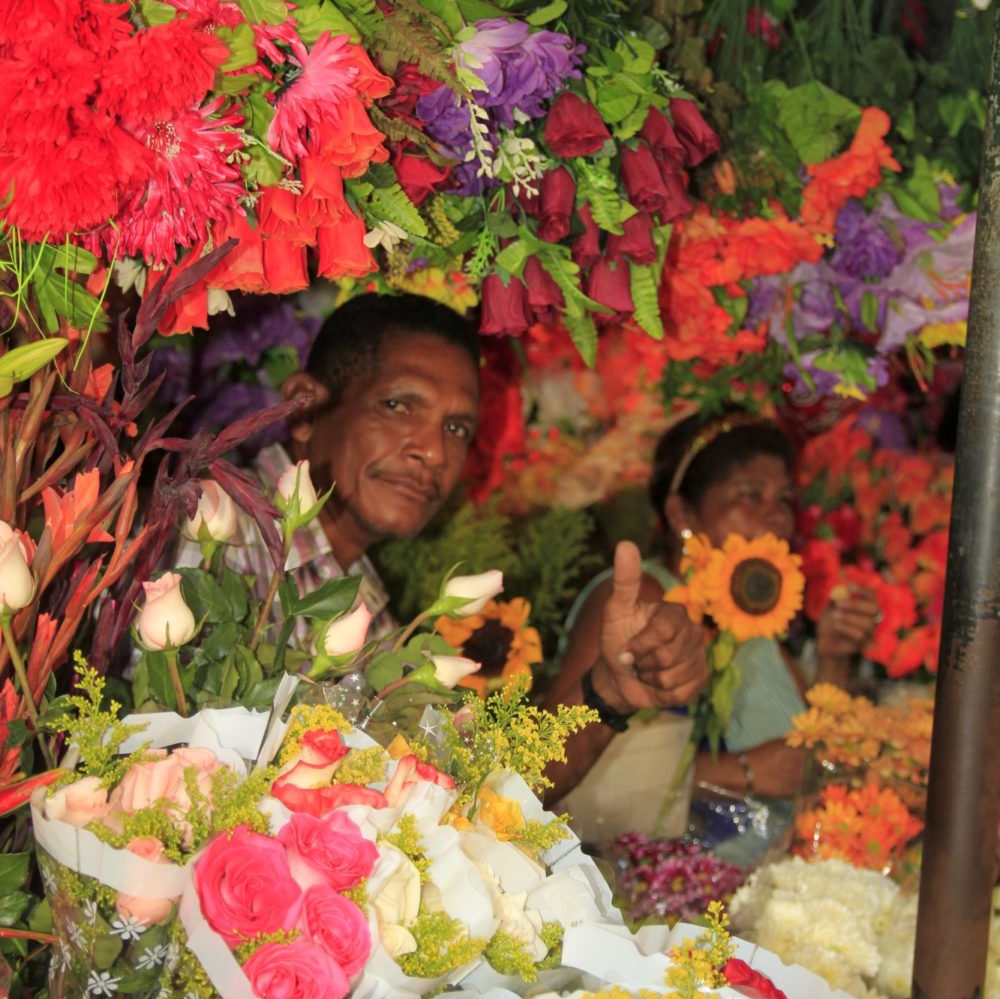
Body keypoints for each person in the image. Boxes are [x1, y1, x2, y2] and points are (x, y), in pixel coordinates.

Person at [182, 292, 708, 717]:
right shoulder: (212, 525)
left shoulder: (364, 599)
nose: (433, 452)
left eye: (456, 428)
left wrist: (609, 695)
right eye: (398, 405)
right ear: (304, 409)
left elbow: (447, 794)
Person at [547, 411, 879, 817]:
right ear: (680, 514)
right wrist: (744, 773)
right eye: (751, 495)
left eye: (783, 499)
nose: (777, 516)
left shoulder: (757, 621)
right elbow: (557, 766)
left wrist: (834, 659)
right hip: (650, 874)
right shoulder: (645, 598)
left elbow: (815, 762)